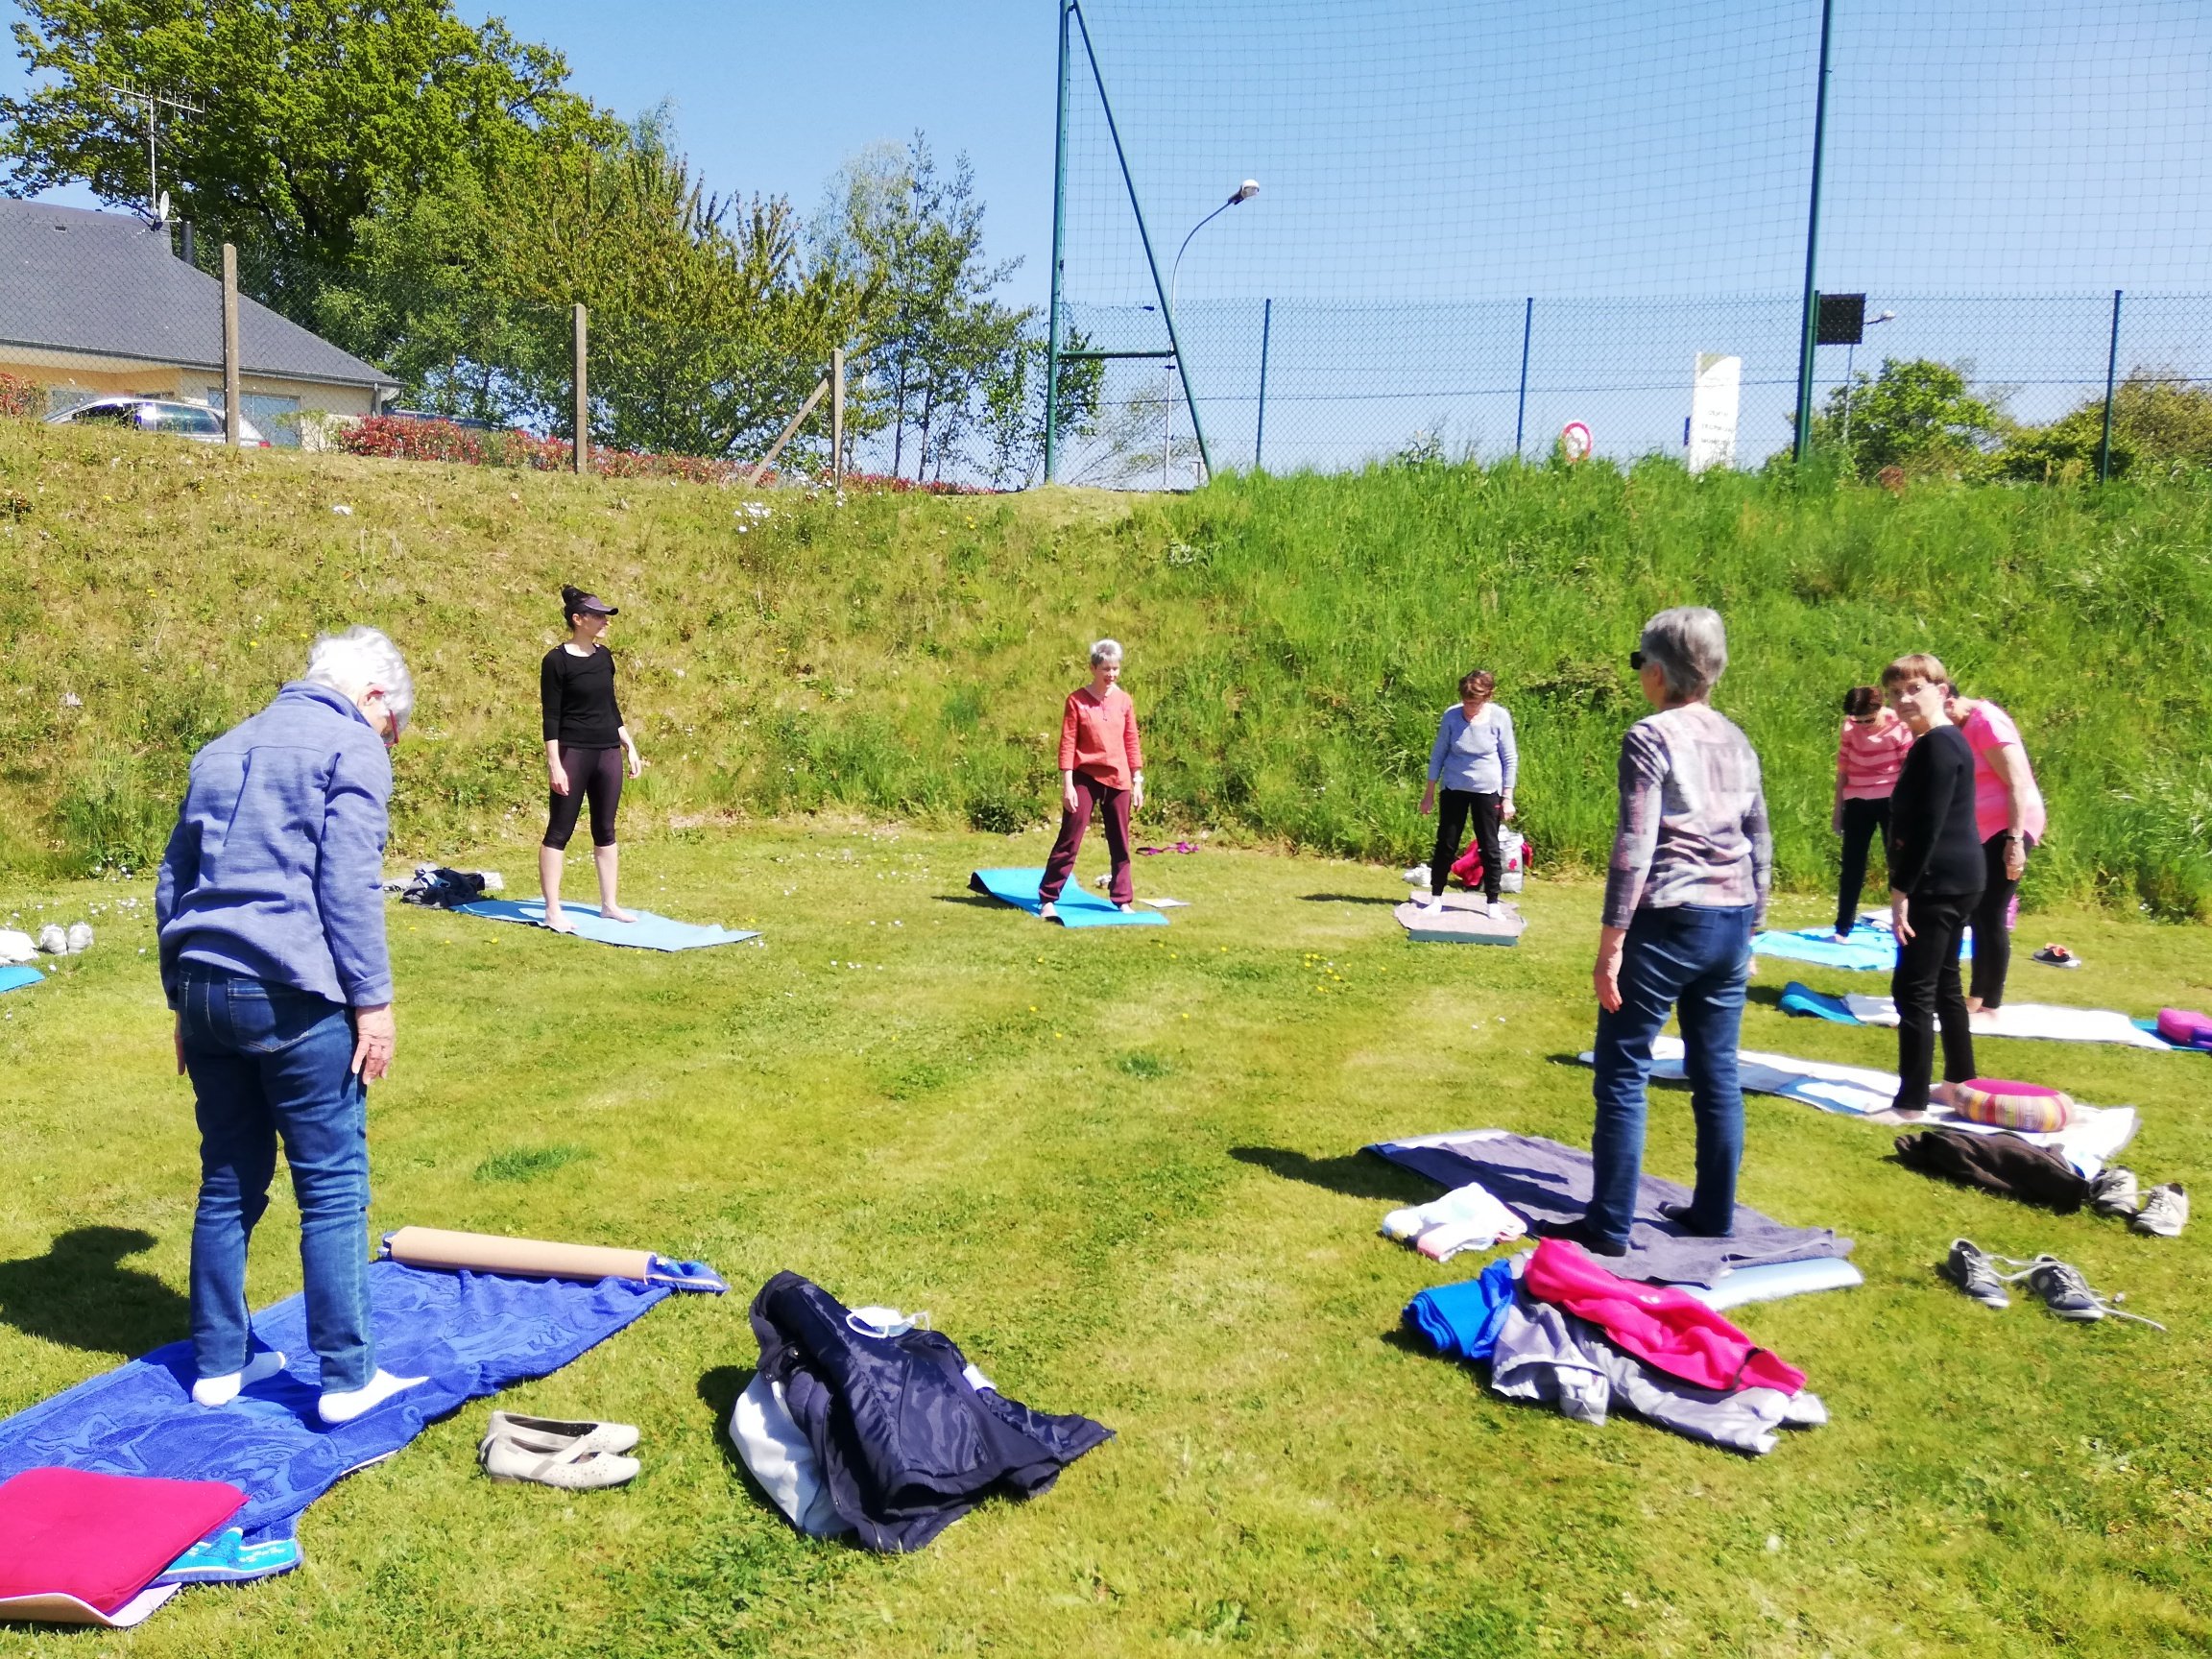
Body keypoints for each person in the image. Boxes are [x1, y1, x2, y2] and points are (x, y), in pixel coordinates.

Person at [155, 627, 426, 1425]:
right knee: (332, 1185)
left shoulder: (220, 748)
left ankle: (218, 1363)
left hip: (204, 986)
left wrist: (180, 1000)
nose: (389, 742)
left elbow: (174, 880)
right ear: (372, 697)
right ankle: (346, 1378)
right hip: (292, 992)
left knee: (228, 1177)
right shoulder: (350, 746)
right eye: (393, 727)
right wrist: (373, 1002)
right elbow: (348, 884)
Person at [1583, 608, 1771, 1256]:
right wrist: (1754, 928)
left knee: (1623, 1069)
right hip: (1731, 917)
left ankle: (1609, 1226)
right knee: (1717, 1072)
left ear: (1658, 672)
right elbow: (1759, 838)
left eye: (1640, 662)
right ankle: (1714, 1213)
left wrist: (1612, 941)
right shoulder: (1737, 739)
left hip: (1669, 917)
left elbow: (1635, 843)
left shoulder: (1651, 735)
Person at [1881, 653, 1984, 1114]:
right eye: (1895, 693)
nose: (1904, 700)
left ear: (1941, 692)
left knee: (1913, 989)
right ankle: (1960, 1081)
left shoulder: (1937, 745)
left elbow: (1929, 826)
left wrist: (1901, 890)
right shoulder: (1944, 740)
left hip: (1939, 881)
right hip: (1958, 878)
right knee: (1944, 984)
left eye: (1914, 690)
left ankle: (1910, 1101)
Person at [541, 586, 644, 933]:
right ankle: (552, 910)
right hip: (573, 751)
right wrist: (555, 763)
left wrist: (628, 744)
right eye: (598, 616)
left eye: (605, 616)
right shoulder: (556, 661)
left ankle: (609, 905)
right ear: (578, 619)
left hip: (607, 751)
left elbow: (610, 705)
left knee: (605, 829)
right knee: (560, 830)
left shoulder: (604, 657)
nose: (605, 622)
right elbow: (551, 716)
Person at [1945, 684, 2045, 1014]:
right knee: (1978, 911)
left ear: (1950, 701)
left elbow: (2017, 781)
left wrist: (2015, 841)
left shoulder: (1986, 721)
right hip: (1985, 829)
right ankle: (1978, 997)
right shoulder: (1963, 725)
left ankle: (1989, 1002)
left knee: (1990, 912)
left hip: (2011, 825)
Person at [1038, 638, 1143, 921]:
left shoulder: (1124, 701)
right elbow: (1068, 743)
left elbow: (1131, 741)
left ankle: (1122, 899)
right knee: (1069, 838)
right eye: (1106, 669)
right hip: (1084, 776)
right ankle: (1048, 898)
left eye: (1115, 669)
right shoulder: (1077, 701)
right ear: (1093, 668)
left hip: (1118, 777)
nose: (1111, 674)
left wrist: (1137, 780)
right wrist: (1068, 784)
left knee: (1120, 841)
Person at [1418, 669, 1518, 918]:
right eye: (1466, 701)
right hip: (1454, 787)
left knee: (1489, 846)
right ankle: (1436, 897)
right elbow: (1438, 754)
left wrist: (1507, 797)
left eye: (1474, 703)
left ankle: (1492, 902)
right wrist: (1429, 793)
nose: (1469, 707)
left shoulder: (1500, 717)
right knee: (1446, 843)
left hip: (1487, 790)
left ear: (1487, 697)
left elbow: (1509, 758)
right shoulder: (1451, 716)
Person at [1832, 685, 1912, 938]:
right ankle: (1843, 927)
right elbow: (1843, 771)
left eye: (1869, 719)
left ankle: (1903, 922)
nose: (1863, 725)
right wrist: (1837, 811)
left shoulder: (1899, 725)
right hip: (1857, 801)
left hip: (1890, 801)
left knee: (1897, 864)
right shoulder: (1849, 727)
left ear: (1880, 709)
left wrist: (1909, 810)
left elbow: (1909, 770)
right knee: (1852, 865)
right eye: (1859, 720)